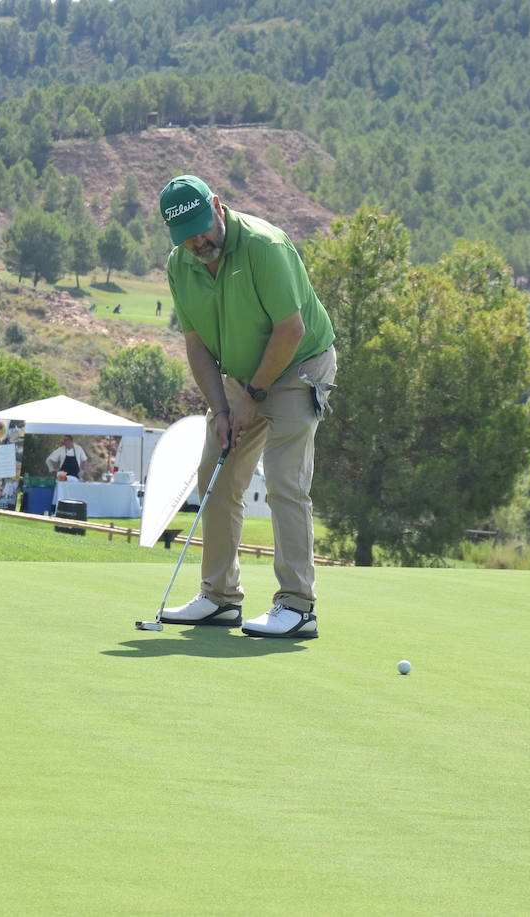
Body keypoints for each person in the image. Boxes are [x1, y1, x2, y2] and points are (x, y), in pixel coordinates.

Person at [156, 175, 336, 638]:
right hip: (240, 378)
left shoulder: (264, 246)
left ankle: (298, 606)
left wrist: (253, 398)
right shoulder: (181, 265)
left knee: (284, 481)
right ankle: (219, 598)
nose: (199, 241)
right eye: (187, 235)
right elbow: (196, 345)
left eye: (202, 227)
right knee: (215, 475)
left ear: (217, 205)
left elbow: (290, 330)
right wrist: (220, 410)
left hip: (299, 367)